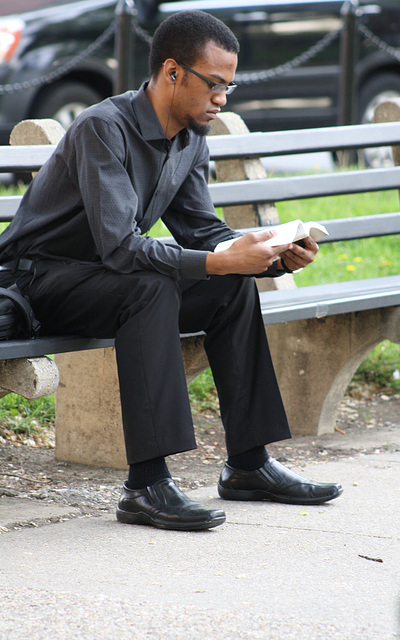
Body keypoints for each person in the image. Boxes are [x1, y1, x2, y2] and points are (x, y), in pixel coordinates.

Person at [0, 10, 342, 531]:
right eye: (214, 84)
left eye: (229, 86)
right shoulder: (102, 128)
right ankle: (146, 486)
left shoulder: (189, 136)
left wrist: (262, 251)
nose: (222, 98)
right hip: (40, 283)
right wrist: (219, 258)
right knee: (150, 287)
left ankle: (249, 465)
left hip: (106, 281)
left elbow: (200, 231)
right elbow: (120, 249)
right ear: (172, 72)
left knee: (229, 288)